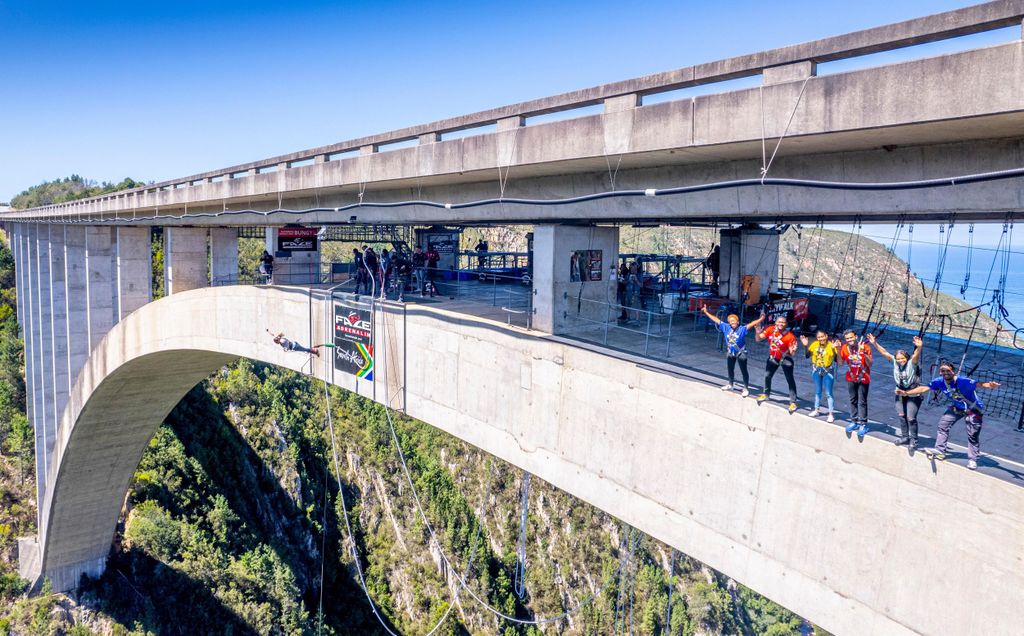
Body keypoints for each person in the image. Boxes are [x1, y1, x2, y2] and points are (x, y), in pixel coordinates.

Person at [896, 361, 1001, 470]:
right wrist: (907, 393)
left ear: (953, 372)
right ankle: (940, 450)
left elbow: (979, 384)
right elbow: (924, 388)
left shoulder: (963, 381)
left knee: (972, 435)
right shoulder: (939, 382)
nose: (945, 372)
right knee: (943, 425)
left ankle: (973, 459)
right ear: (940, 373)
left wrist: (990, 385)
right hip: (958, 407)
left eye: (948, 370)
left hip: (973, 409)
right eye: (942, 370)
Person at [868, 333, 924, 448]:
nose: (900, 361)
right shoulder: (894, 362)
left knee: (911, 417)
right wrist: (874, 343)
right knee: (901, 415)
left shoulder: (911, 363)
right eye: (898, 359)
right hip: (899, 392)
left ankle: (914, 440)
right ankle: (905, 437)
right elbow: (884, 353)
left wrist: (919, 347)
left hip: (912, 393)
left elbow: (916, 356)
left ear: (906, 358)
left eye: (902, 358)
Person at [702, 305, 764, 397]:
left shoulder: (742, 329)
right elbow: (716, 320)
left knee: (744, 371)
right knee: (730, 369)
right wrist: (706, 312)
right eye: (730, 321)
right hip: (731, 353)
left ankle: (746, 388)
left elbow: (752, 323)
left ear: (737, 321)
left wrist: (762, 318)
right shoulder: (726, 327)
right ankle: (730, 384)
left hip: (741, 352)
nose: (732, 322)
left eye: (733, 321)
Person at [756, 315, 799, 413]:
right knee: (767, 376)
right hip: (773, 358)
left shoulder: (790, 336)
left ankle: (793, 402)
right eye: (779, 322)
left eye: (783, 322)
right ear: (775, 322)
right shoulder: (770, 329)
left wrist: (794, 350)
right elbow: (758, 339)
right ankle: (766, 394)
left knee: (790, 379)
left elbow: (792, 354)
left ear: (786, 324)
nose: (780, 324)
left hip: (785, 358)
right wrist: (757, 333)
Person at [800, 330, 839, 423]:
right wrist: (805, 345)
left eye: (822, 336)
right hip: (817, 370)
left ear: (826, 336)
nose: (821, 339)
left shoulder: (830, 345)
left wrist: (835, 349)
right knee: (818, 391)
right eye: (819, 337)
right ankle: (816, 409)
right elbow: (807, 355)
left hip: (827, 370)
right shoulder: (814, 344)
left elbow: (837, 360)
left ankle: (830, 414)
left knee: (829, 393)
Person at [839, 330, 873, 438]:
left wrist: (863, 353)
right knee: (852, 399)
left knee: (862, 401)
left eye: (851, 338)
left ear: (856, 337)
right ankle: (854, 420)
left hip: (863, 377)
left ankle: (863, 423)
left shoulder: (865, 347)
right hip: (851, 376)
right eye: (847, 338)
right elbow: (840, 363)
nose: (849, 340)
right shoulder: (845, 348)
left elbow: (870, 364)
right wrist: (837, 349)